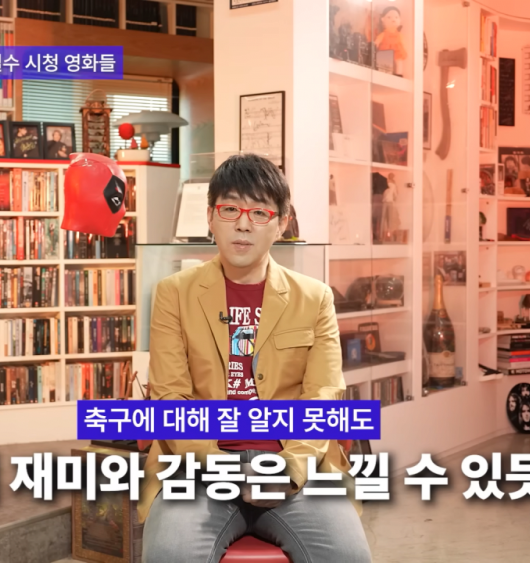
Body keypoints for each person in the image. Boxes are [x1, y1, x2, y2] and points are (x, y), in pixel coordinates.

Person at [141, 154, 372, 563]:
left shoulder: (315, 297)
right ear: (210, 217)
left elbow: (324, 397)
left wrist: (289, 469)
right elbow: (169, 399)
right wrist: (220, 469)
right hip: (199, 467)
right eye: (230, 209)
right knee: (169, 554)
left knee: (348, 556)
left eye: (260, 212)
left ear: (282, 223)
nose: (243, 224)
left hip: (294, 465)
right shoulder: (173, 293)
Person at [374, 6, 407, 76]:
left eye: (396, 17)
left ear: (400, 19)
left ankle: (399, 73)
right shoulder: (383, 34)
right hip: (386, 49)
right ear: (383, 19)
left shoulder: (399, 34)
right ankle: (384, 72)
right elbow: (377, 41)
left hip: (397, 49)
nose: (393, 20)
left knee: (399, 61)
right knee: (385, 61)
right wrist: (375, 45)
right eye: (389, 17)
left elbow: (402, 42)